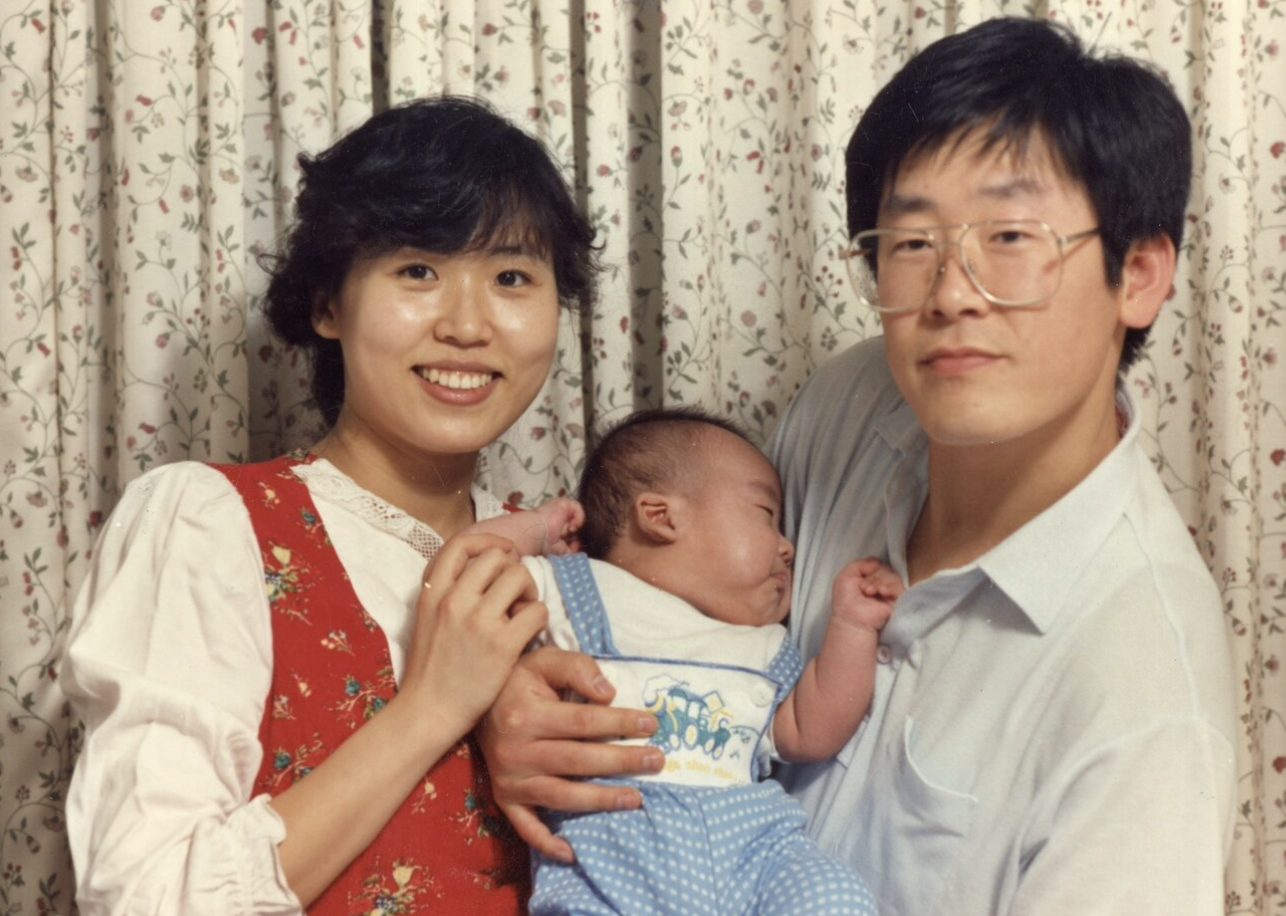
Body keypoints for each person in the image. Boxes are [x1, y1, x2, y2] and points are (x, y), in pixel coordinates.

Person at [477, 17, 1238, 915]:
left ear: (1139, 274)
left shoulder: (1148, 697)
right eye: (911, 243)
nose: (950, 294)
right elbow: (680, 617)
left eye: (1010, 236)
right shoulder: (852, 403)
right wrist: (518, 703)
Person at [61, 96, 598, 915]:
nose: (467, 325)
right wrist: (432, 707)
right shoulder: (211, 525)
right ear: (326, 304)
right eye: (417, 270)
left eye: (512, 278)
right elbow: (147, 898)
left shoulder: (566, 566)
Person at [471, 409, 894, 914]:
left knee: (835, 897)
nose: (788, 548)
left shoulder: (758, 643)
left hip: (756, 851)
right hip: (616, 856)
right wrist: (537, 528)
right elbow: (467, 570)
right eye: (766, 515)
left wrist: (853, 627)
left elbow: (811, 731)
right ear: (660, 516)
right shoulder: (576, 587)